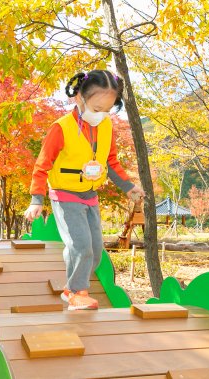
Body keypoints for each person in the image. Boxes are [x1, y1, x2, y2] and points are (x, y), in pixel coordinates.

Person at [24, 70, 145, 311]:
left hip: (90, 196)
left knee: (96, 250)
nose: (100, 115)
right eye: (96, 108)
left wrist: (128, 187)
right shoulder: (61, 128)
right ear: (79, 98)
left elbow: (110, 162)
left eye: (107, 110)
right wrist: (36, 199)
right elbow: (42, 166)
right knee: (81, 247)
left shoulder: (106, 126)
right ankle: (77, 292)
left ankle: (72, 287)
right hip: (65, 195)